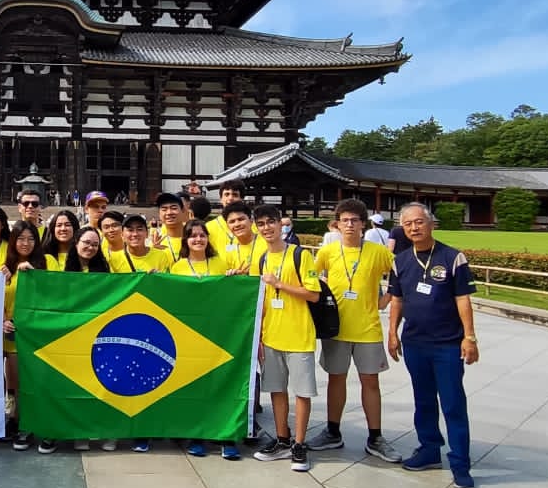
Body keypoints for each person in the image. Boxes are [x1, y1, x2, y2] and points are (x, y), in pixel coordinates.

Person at [387, 202, 479, 488]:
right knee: (423, 401)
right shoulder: (400, 261)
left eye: (419, 222)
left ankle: (460, 464)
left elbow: (462, 298)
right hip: (415, 342)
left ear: (431, 224)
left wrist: (470, 337)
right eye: (408, 224)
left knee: (453, 403)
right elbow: (397, 300)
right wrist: (392, 332)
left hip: (447, 344)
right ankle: (429, 449)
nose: (414, 228)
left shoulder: (453, 257)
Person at [306, 199, 401, 463]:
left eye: (355, 220)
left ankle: (376, 437)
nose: (349, 225)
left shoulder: (377, 252)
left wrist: (389, 296)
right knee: (336, 379)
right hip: (336, 327)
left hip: (368, 327)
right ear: (337, 224)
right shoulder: (328, 252)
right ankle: (333, 431)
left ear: (363, 224)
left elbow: (400, 273)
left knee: (371, 381)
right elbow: (311, 279)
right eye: (344, 220)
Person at [251, 204, 323, 472]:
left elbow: (313, 294)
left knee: (302, 392)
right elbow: (261, 302)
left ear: (281, 224)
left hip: (299, 335)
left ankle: (300, 444)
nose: (267, 228)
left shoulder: (299, 255)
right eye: (261, 224)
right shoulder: (260, 260)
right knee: (276, 390)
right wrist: (258, 336)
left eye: (271, 222)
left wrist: (279, 284)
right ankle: (282, 439)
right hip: (272, 336)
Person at [169, 218, 244, 460]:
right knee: (196, 386)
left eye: (202, 235)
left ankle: (225, 436)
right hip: (189, 335)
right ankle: (198, 435)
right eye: (193, 236)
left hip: (220, 333)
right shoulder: (178, 267)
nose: (198, 239)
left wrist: (234, 279)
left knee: (222, 385)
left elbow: (232, 295)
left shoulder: (220, 262)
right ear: (186, 240)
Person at [61, 226, 113, 452]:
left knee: (102, 385)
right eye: (86, 242)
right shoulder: (61, 267)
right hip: (70, 335)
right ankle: (80, 432)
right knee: (77, 385)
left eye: (95, 244)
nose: (90, 247)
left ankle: (106, 431)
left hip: (98, 334)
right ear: (76, 242)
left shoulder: (104, 269)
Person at [3, 221, 52, 452]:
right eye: (20, 239)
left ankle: (45, 427)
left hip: (41, 334)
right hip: (13, 334)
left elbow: (57, 294)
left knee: (41, 383)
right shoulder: (4, 267)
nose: (26, 243)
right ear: (13, 241)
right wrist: (2, 320)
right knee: (18, 385)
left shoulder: (47, 262)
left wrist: (36, 275)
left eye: (31, 238)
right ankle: (24, 425)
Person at [219, 203, 267, 275]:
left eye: (241, 219)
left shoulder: (267, 243)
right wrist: (233, 276)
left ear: (251, 221)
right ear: (227, 226)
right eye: (232, 222)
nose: (237, 224)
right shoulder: (226, 251)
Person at [151, 193, 186, 265]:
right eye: (164, 209)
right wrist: (153, 253)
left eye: (174, 208)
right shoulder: (156, 243)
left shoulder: (195, 239)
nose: (169, 213)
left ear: (183, 211)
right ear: (159, 214)